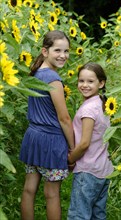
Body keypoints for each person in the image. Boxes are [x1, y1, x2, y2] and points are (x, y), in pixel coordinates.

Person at [19, 30, 74, 220]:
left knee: (28, 189)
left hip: (33, 137)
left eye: (66, 51)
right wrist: (73, 149)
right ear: (45, 51)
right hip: (51, 142)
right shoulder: (54, 80)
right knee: (52, 194)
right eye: (57, 50)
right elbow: (64, 119)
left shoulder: (35, 73)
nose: (63, 55)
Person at [67, 62, 114, 220]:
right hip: (103, 169)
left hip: (87, 170)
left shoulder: (88, 109)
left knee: (79, 215)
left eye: (90, 81)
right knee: (97, 215)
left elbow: (85, 143)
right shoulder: (103, 103)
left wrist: (70, 160)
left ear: (101, 83)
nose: (84, 85)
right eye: (81, 81)